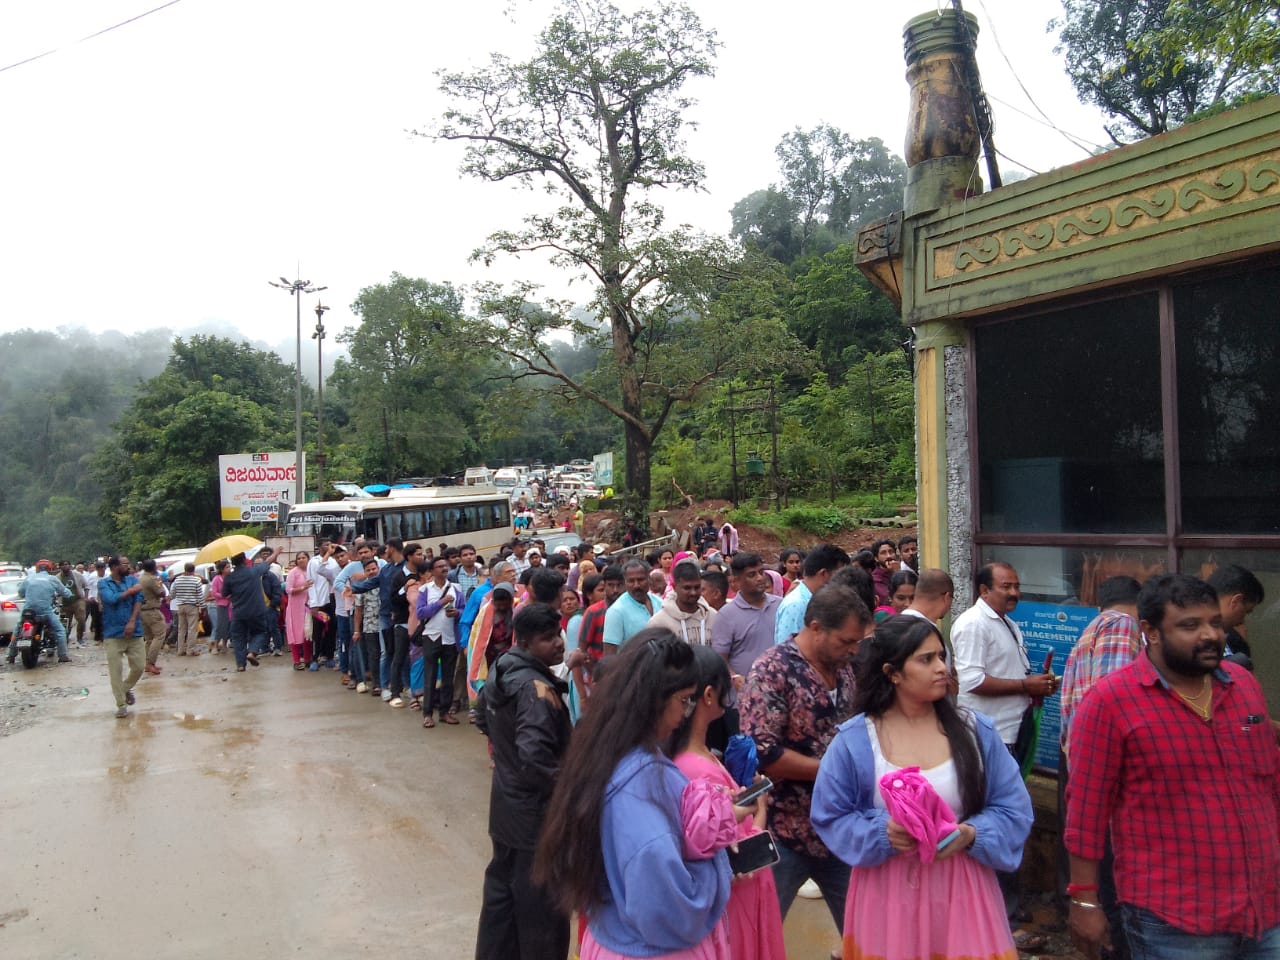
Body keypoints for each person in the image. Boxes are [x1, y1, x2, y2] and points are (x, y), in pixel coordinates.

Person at [1065, 574, 1280, 960]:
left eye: (1214, 622)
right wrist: (1084, 901)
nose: (1210, 635)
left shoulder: (1244, 686)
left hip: (1265, 910)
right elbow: (1085, 811)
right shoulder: (1110, 703)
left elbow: (1271, 784)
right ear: (1151, 631)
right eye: (1189, 625)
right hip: (1174, 919)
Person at [811, 615, 1034, 960]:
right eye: (926, 659)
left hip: (964, 891)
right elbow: (830, 815)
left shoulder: (975, 732)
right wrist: (882, 833)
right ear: (893, 673)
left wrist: (972, 833)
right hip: (886, 895)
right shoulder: (855, 741)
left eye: (941, 656)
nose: (941, 668)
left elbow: (1013, 807)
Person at [533, 628, 732, 959]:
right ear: (653, 701)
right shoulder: (640, 786)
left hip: (613, 935)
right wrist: (713, 861)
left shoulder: (602, 753)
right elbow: (667, 907)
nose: (684, 715)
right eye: (683, 701)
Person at [739, 584, 870, 936]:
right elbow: (763, 753)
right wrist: (833, 773)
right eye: (846, 641)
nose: (854, 650)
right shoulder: (771, 670)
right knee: (759, 935)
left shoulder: (844, 669)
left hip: (841, 829)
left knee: (864, 934)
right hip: (785, 830)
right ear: (815, 628)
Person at [669, 646, 786, 960]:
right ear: (709, 695)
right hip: (738, 904)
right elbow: (735, 855)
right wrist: (759, 810)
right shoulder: (697, 767)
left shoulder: (691, 757)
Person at [474, 603, 575, 960]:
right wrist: (571, 789)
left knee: (501, 902)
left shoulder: (503, 665)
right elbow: (535, 760)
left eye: (559, 634)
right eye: (549, 639)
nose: (559, 644)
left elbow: (481, 713)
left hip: (505, 809)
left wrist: (507, 758)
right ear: (527, 642)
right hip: (533, 818)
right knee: (542, 913)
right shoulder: (535, 690)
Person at [1056, 574, 1142, 957]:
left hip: (1084, 767)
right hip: (1109, 771)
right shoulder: (1123, 627)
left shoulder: (1090, 629)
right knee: (1113, 877)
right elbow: (1115, 697)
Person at [952, 563, 1057, 757]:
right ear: (984, 590)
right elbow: (972, 681)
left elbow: (1008, 672)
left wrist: (1038, 686)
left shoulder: (1008, 622)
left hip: (1010, 731)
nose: (1014, 593)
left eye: (1017, 587)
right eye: (1006, 586)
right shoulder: (973, 623)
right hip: (989, 734)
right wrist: (1025, 686)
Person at [712, 552, 779, 687]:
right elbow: (719, 659)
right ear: (736, 581)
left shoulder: (781, 606)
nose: (760, 578)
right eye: (752, 575)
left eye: (761, 572)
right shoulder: (726, 616)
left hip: (778, 692)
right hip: (743, 699)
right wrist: (734, 678)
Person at [416, 555, 463, 727]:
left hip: (450, 638)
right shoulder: (425, 590)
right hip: (431, 636)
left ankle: (445, 712)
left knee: (448, 677)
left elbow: (463, 609)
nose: (444, 568)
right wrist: (441, 603)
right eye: (439, 566)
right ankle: (427, 714)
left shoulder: (456, 588)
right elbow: (421, 613)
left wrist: (456, 612)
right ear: (432, 571)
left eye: (445, 566)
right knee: (430, 676)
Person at [774, 544, 850, 646]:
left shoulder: (817, 599)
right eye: (839, 574)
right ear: (824, 573)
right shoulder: (796, 605)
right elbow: (785, 653)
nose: (842, 581)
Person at [100, 555, 144, 718]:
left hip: (135, 631)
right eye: (125, 564)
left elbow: (139, 600)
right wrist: (131, 591)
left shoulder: (132, 580)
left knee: (139, 666)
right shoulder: (104, 583)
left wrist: (132, 621)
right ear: (114, 567)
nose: (128, 567)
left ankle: (125, 688)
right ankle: (121, 704)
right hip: (112, 633)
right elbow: (110, 599)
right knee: (115, 670)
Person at [222, 547, 278, 672]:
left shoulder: (229, 577)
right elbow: (267, 562)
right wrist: (276, 552)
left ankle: (240, 665)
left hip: (239, 612)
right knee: (260, 632)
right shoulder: (254, 571)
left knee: (238, 637)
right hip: (257, 610)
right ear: (244, 560)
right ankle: (252, 652)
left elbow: (224, 594)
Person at [1207, 563, 1265, 668]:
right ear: (1236, 601)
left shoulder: (1234, 642)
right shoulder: (1189, 640)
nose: (1242, 621)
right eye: (1246, 612)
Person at [648, 560, 716, 646]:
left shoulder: (713, 617)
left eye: (697, 587)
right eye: (687, 588)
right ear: (675, 587)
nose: (693, 592)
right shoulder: (658, 623)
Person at [16, 559, 72, 663]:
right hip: (45, 612)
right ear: (50, 569)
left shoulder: (29, 578)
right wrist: (68, 593)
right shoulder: (52, 579)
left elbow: (20, 592)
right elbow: (65, 592)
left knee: (18, 628)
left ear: (37, 568)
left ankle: (10, 655)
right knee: (60, 631)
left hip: (28, 612)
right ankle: (63, 656)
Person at [602, 560, 663, 653]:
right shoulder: (616, 612)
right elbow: (609, 654)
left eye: (641, 580)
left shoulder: (659, 602)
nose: (636, 585)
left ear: (649, 579)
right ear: (625, 582)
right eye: (631, 581)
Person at [138, 558, 168, 675]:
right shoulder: (151, 579)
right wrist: (160, 583)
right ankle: (151, 662)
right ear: (154, 568)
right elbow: (161, 593)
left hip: (143, 610)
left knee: (149, 638)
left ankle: (146, 663)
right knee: (160, 635)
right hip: (152, 610)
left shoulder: (140, 578)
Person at [170, 562, 205, 657]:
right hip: (192, 606)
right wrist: (202, 606)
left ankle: (180, 650)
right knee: (192, 629)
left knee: (181, 629)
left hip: (180, 606)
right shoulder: (196, 581)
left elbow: (172, 594)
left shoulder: (177, 580)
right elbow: (200, 595)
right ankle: (190, 650)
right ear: (193, 570)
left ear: (184, 569)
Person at [284, 551, 313, 669]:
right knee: (295, 634)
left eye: (303, 557)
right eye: (299, 558)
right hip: (295, 608)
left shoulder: (311, 571)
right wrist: (302, 588)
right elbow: (288, 590)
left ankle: (307, 659)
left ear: (308, 559)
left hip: (309, 606)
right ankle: (296, 661)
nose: (301, 560)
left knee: (308, 632)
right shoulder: (293, 573)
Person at [210, 559, 232, 654]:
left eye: (229, 567)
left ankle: (224, 645)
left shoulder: (230, 578)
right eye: (227, 567)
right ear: (222, 569)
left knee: (228, 626)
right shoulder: (216, 579)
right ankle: (215, 645)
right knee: (220, 626)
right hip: (221, 605)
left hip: (231, 605)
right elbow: (214, 593)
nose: (229, 569)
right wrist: (224, 595)